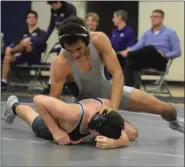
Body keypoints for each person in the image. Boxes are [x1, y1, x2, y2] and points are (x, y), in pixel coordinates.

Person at [48, 16, 184, 133]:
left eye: (79, 48)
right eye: (70, 50)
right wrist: (56, 130)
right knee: (131, 133)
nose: (75, 54)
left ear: (87, 40)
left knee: (167, 109)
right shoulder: (61, 61)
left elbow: (117, 73)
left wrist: (112, 109)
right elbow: (52, 102)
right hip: (86, 104)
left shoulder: (99, 39)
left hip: (111, 90)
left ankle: (175, 122)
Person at [2, 95, 133, 149]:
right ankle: (13, 105)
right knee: (33, 118)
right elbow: (38, 99)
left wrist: (114, 143)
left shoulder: (106, 109)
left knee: (132, 132)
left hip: (75, 126)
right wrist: (56, 131)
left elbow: (127, 135)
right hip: (53, 126)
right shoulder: (71, 114)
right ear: (94, 131)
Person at [121, 9, 181, 87]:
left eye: (156, 16)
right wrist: (127, 52)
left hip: (160, 61)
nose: (153, 18)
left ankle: (128, 54)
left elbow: (177, 51)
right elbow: (138, 46)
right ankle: (129, 89)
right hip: (146, 60)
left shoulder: (170, 33)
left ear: (162, 19)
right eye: (151, 16)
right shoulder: (147, 33)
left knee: (150, 48)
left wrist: (165, 55)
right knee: (129, 60)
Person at [1, 10, 47, 91]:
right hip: (22, 56)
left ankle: (12, 51)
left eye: (34, 17)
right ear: (26, 20)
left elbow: (41, 43)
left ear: (36, 19)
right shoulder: (23, 33)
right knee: (7, 57)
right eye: (29, 18)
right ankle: (3, 82)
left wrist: (29, 40)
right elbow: (14, 43)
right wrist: (9, 47)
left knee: (25, 43)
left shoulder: (41, 32)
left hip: (34, 57)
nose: (32, 19)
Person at [42, 1, 77, 94]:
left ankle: (66, 85)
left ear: (58, 2)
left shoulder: (69, 8)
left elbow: (72, 23)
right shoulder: (53, 10)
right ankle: (52, 84)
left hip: (71, 37)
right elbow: (51, 26)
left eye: (52, 4)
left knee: (65, 61)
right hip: (62, 38)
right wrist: (43, 40)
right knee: (57, 60)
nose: (52, 7)